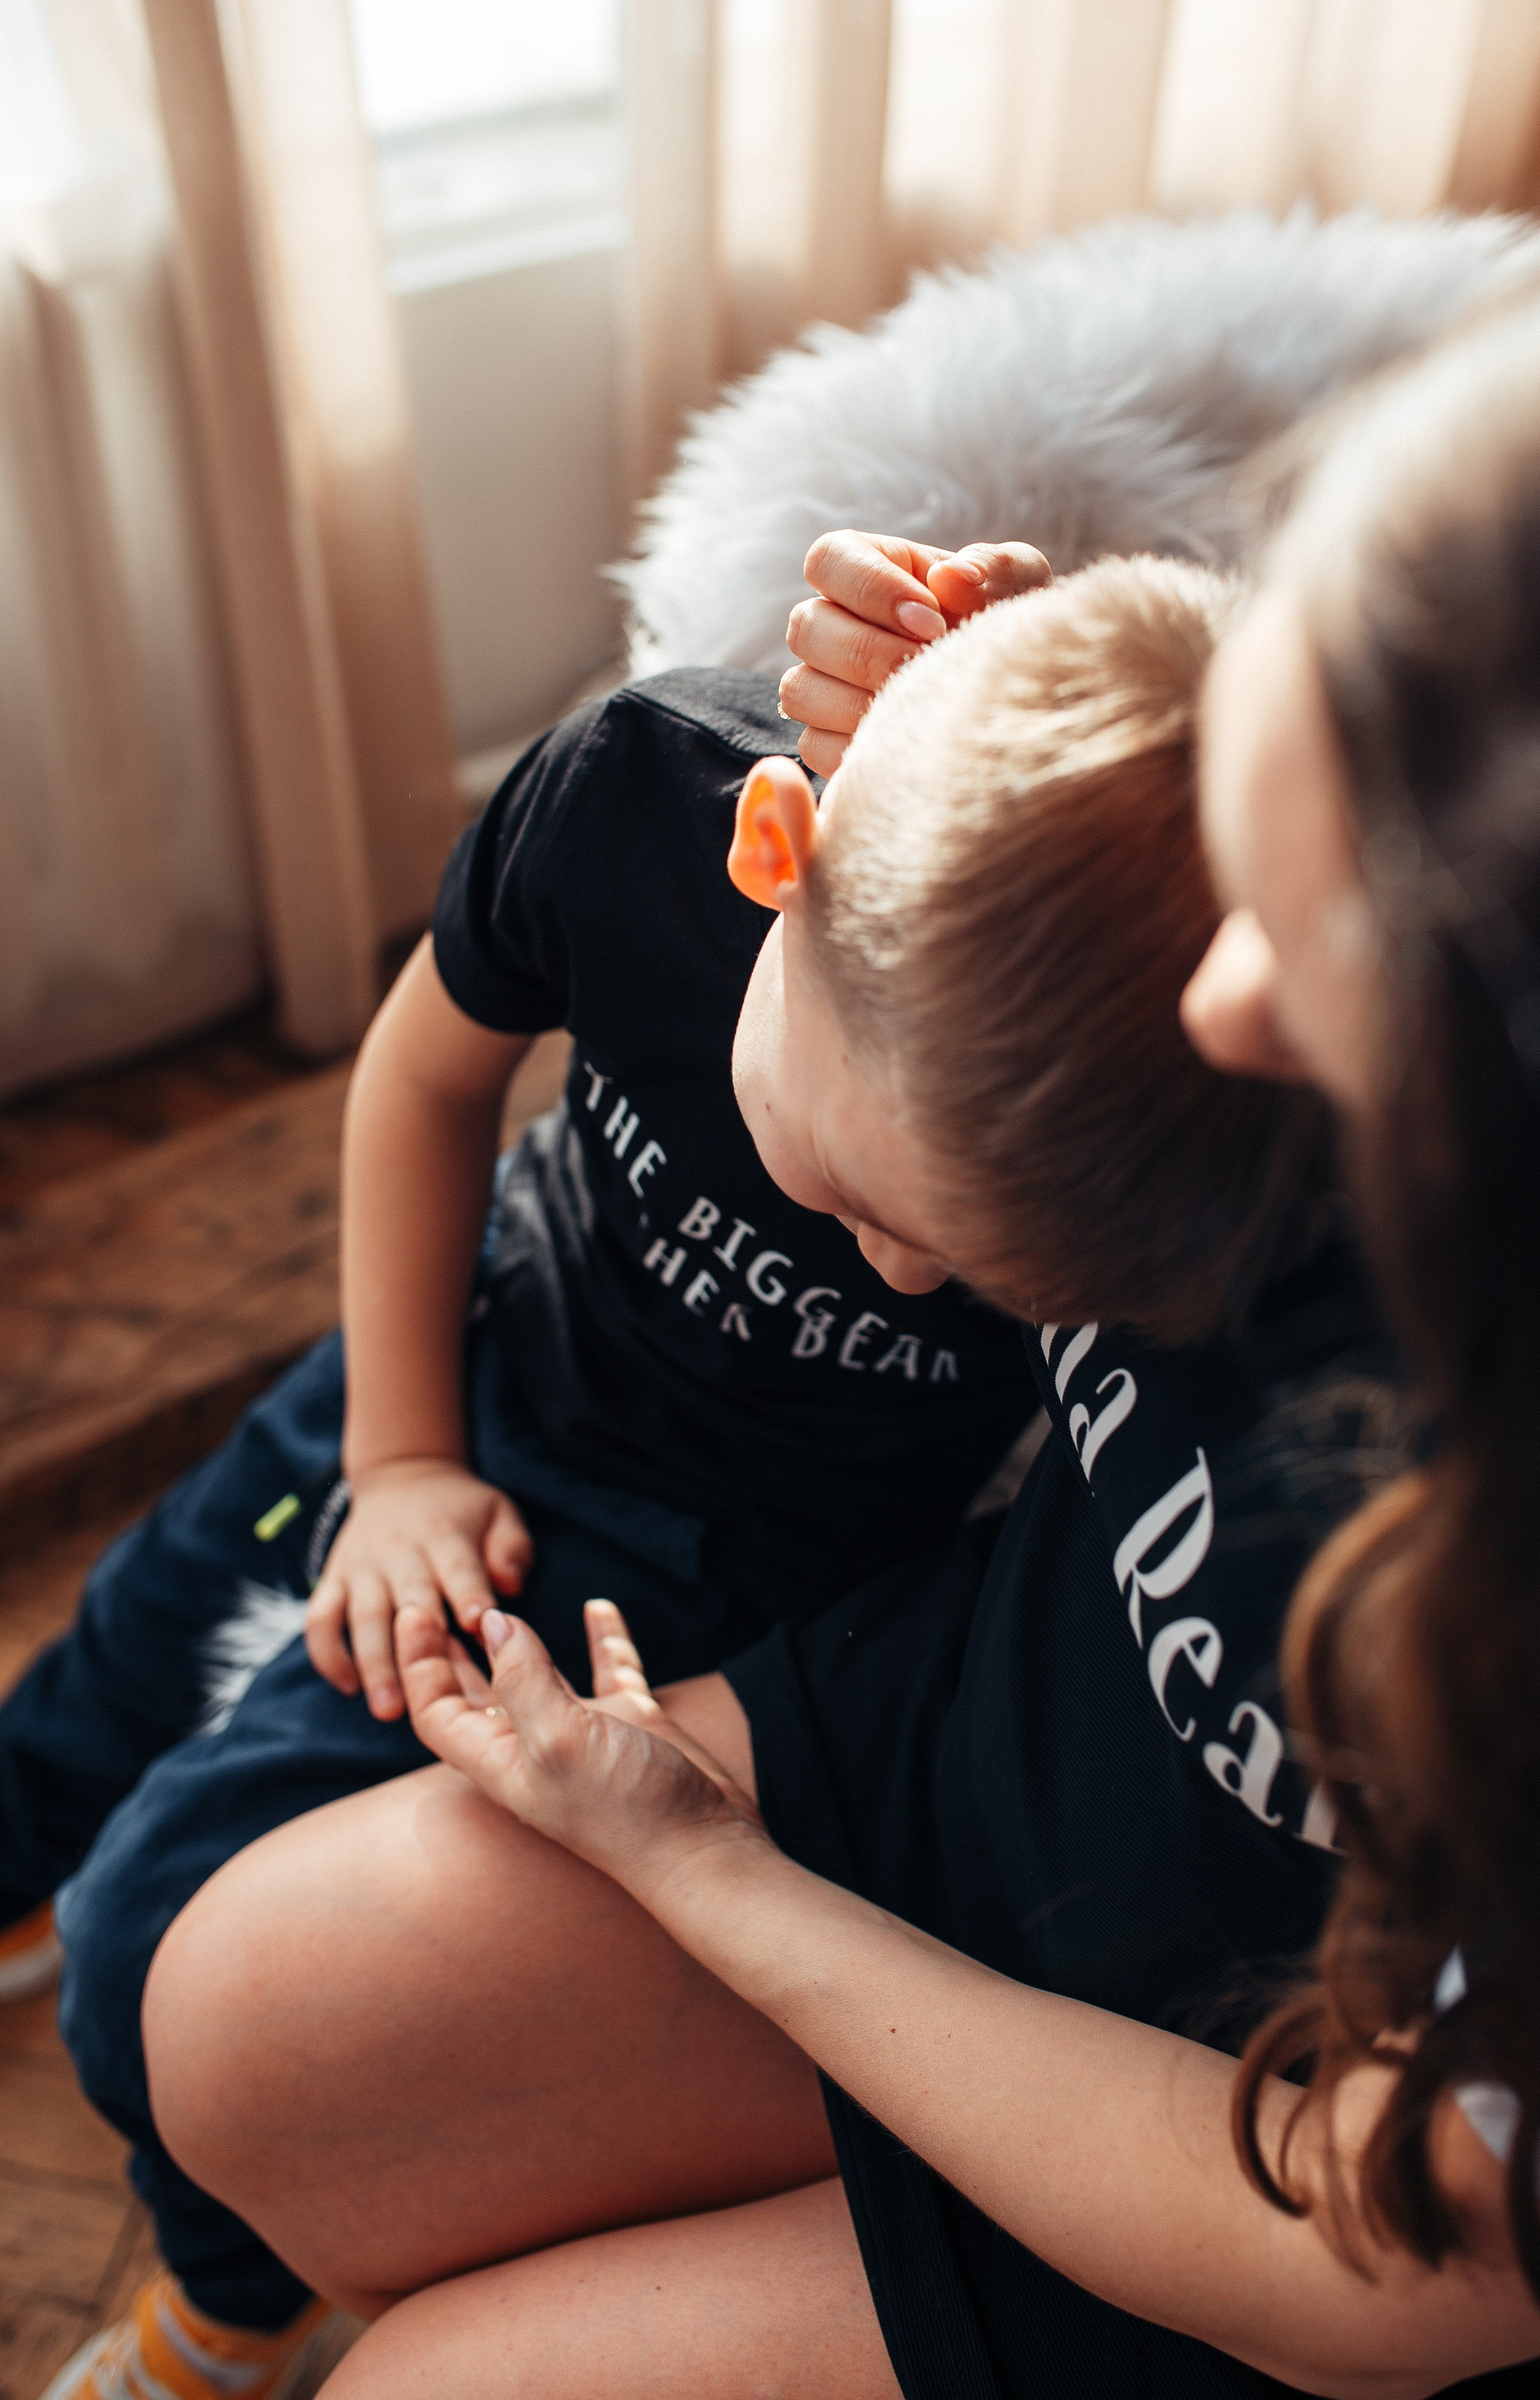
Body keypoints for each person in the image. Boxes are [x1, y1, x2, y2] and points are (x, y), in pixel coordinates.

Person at [27, 557, 1338, 2400]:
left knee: (146, 1923)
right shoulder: (633, 794)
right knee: (118, 1659)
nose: (908, 1277)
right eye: (869, 1202)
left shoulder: (1144, 1140)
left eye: (978, 1267)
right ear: (773, 855)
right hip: (466, 1365)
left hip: (710, 1577)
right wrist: (401, 1454)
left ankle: (231, 2305)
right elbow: (424, 1078)